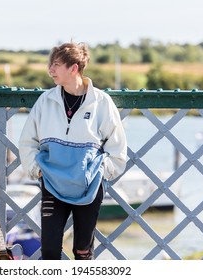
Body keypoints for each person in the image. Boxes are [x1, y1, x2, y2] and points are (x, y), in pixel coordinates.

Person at [18, 42, 127, 260]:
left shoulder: (101, 102)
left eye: (56, 65)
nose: (50, 70)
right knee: (49, 251)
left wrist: (100, 172)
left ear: (74, 68)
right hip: (51, 184)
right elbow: (27, 140)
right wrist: (37, 170)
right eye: (51, 65)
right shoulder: (45, 101)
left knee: (83, 252)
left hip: (89, 188)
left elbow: (118, 146)